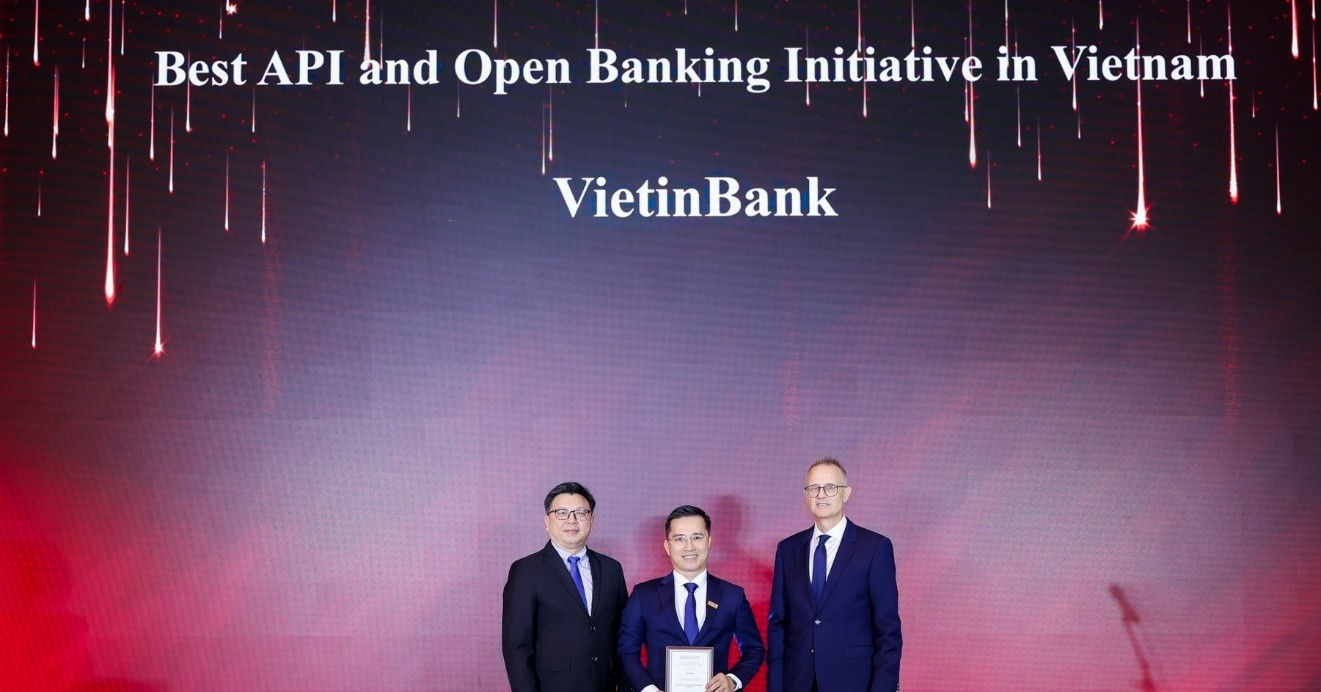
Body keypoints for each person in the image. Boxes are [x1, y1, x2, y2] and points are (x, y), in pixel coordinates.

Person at [766, 458, 901, 692]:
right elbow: (778, 624)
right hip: (797, 681)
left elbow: (888, 631)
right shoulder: (788, 549)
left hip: (853, 682)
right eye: (814, 488)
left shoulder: (874, 548)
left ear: (846, 493)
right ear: (806, 495)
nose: (821, 494)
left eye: (830, 487)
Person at [618, 505, 765, 692]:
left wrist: (732, 680)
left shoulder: (732, 595)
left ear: (709, 541)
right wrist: (649, 690)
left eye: (697, 537)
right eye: (680, 539)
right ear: (667, 546)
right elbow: (627, 651)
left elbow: (754, 649)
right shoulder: (643, 595)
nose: (689, 547)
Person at [503, 482, 628, 692]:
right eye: (562, 513)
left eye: (580, 513)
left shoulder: (612, 569)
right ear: (547, 521)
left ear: (591, 520)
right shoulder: (526, 571)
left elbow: (622, 634)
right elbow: (517, 647)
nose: (572, 520)